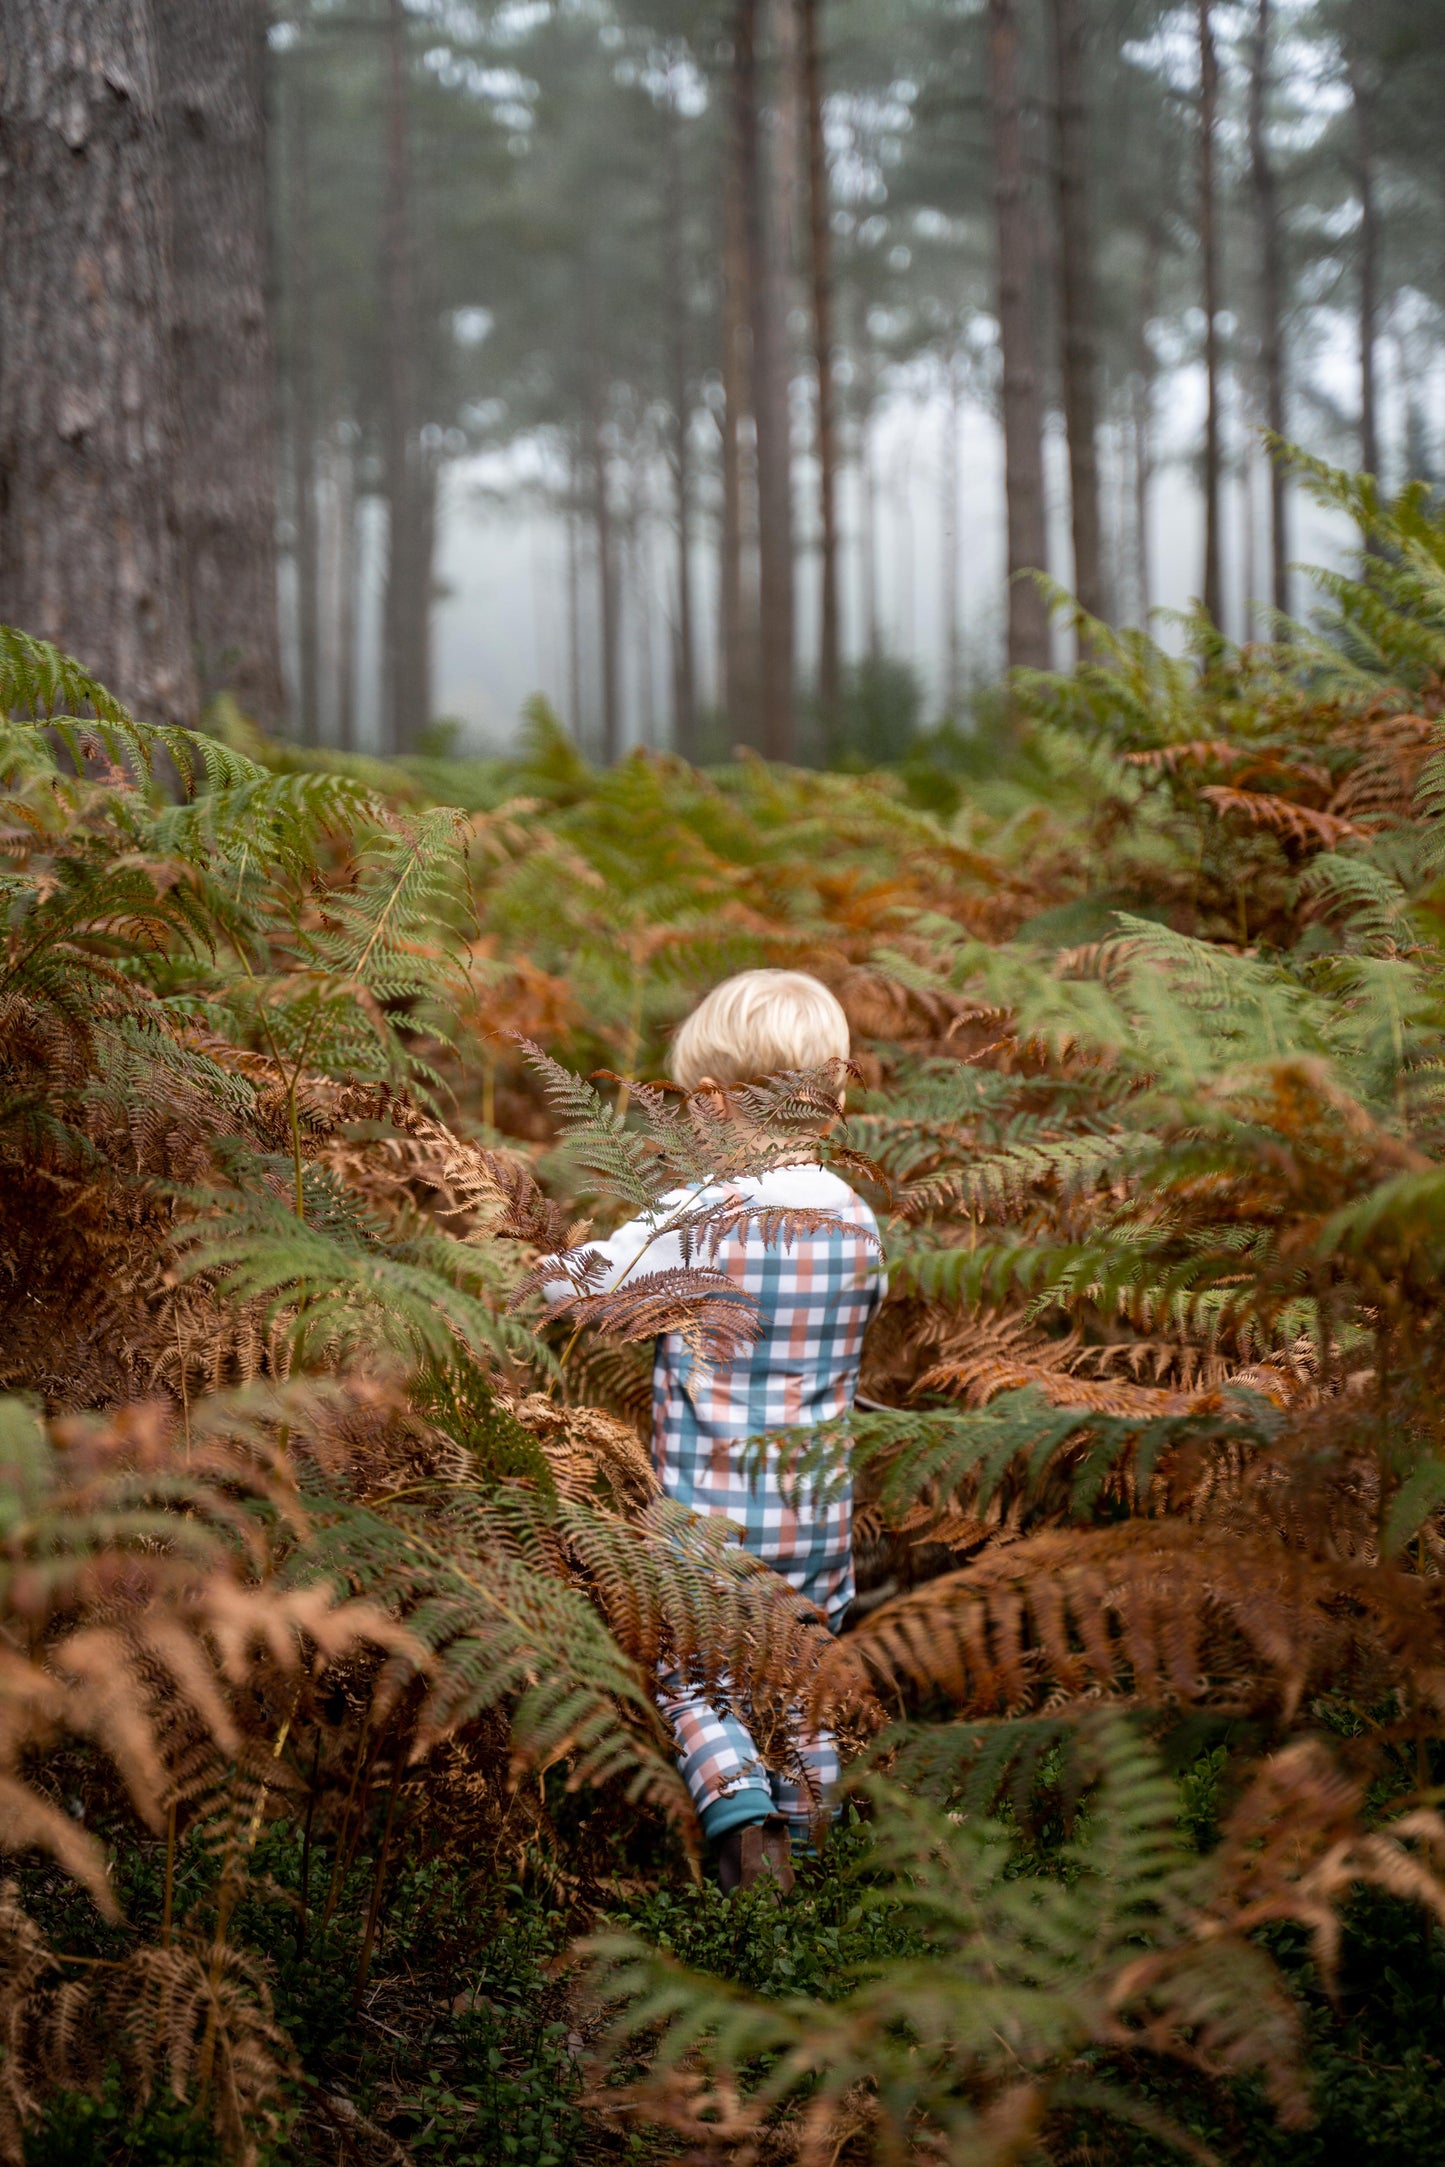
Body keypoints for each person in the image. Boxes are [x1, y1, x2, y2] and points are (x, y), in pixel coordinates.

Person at [554, 969, 885, 1893]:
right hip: (814, 1518)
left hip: (705, 1524)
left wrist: (523, 1265)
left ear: (708, 1103)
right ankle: (814, 1847)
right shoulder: (857, 1222)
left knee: (693, 1672)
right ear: (836, 1098)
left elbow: (577, 1286)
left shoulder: (697, 1215)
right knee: (800, 1674)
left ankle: (741, 1820)